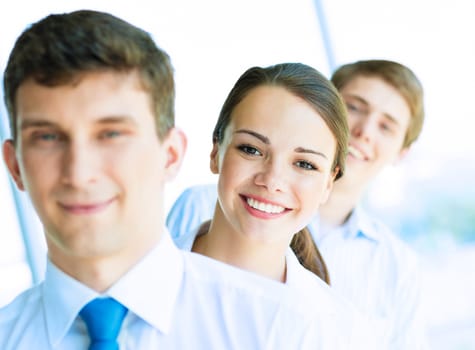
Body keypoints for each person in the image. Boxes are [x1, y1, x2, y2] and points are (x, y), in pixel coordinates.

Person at [0, 10, 364, 349]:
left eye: (112, 134)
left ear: (171, 154)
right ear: (14, 165)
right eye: (47, 137)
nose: (79, 173)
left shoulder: (291, 329)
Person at [167, 59, 428, 349]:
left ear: (329, 180)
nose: (273, 181)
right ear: (216, 151)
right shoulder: (146, 267)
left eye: (304, 164)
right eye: (251, 149)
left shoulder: (343, 326)